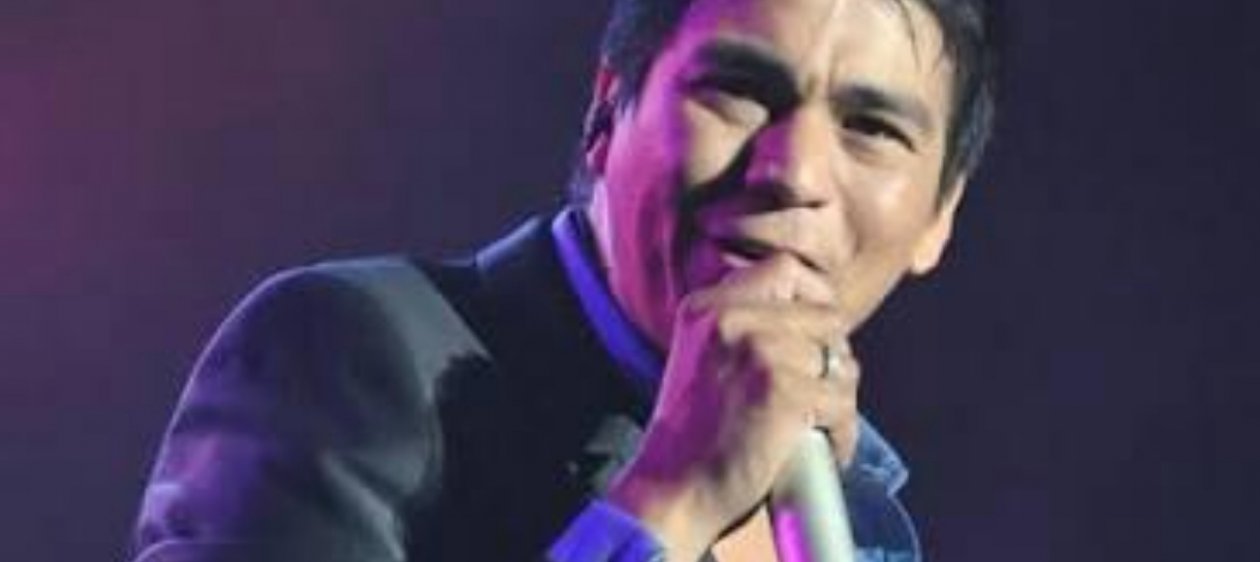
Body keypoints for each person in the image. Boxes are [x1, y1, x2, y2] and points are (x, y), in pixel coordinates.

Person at [129, 0, 996, 560]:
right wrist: (671, 496)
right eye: (737, 88)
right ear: (605, 111)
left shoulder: (865, 516)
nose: (793, 171)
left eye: (871, 128)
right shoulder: (343, 355)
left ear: (940, 215)